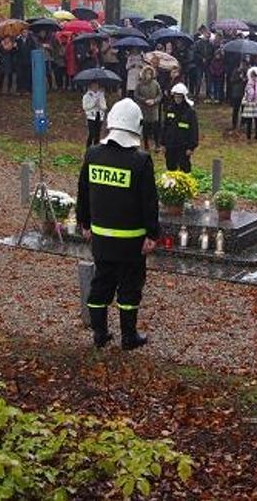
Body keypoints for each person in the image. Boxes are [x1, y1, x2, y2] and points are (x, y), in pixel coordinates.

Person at [76, 97, 160, 350]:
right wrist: (152, 234)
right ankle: (128, 336)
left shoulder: (93, 155)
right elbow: (149, 202)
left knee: (101, 283)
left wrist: (84, 223)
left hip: (101, 239)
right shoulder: (140, 161)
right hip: (131, 241)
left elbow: (84, 193)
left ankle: (99, 334)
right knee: (130, 287)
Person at [161, 82, 199, 172]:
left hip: (183, 146)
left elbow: (194, 130)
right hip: (170, 145)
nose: (177, 99)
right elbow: (164, 127)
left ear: (184, 97)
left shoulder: (190, 112)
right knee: (170, 167)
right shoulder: (170, 109)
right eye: (176, 96)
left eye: (179, 97)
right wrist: (162, 143)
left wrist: (191, 147)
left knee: (184, 168)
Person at [134, 65, 162, 150]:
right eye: (147, 73)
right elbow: (136, 95)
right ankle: (146, 145)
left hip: (154, 109)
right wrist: (144, 100)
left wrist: (154, 101)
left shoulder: (155, 83)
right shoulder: (139, 84)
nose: (148, 75)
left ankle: (157, 144)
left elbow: (160, 94)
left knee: (155, 127)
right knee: (145, 127)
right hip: (144, 109)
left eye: (150, 73)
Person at [239, 66, 257, 142]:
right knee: (249, 121)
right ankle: (248, 136)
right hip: (249, 105)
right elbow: (245, 94)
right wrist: (244, 101)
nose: (253, 78)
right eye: (252, 76)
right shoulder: (248, 84)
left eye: (255, 76)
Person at [82, 80, 108, 148]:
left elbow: (105, 107)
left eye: (96, 86)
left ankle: (96, 148)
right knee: (91, 133)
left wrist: (100, 105)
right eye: (94, 86)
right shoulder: (86, 96)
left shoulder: (101, 95)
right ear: (91, 86)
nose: (95, 87)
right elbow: (85, 107)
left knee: (97, 133)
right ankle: (88, 148)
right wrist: (93, 104)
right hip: (91, 116)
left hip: (99, 115)